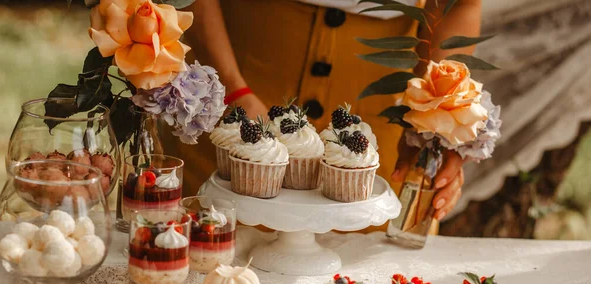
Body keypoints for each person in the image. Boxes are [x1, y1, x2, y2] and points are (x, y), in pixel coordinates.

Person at [163, 0, 482, 223]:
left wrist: (438, 115)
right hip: (233, 69)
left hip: (380, 107)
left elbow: (458, 4)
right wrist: (233, 88)